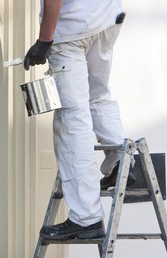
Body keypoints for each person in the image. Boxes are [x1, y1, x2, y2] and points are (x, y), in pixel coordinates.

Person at [24, 0, 135, 240]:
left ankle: (86, 217)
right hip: (106, 19)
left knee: (72, 119)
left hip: (72, 30)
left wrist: (44, 40)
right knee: (98, 96)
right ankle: (120, 164)